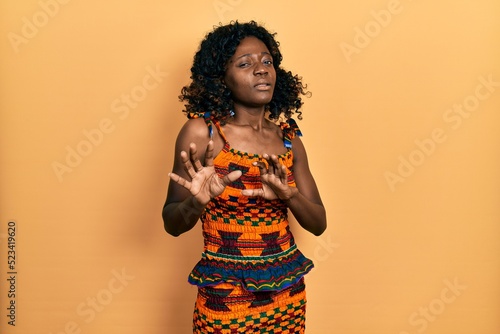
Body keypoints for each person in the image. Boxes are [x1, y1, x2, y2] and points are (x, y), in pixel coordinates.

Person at [162, 20, 327, 333]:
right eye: (245, 63)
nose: (261, 69)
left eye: (267, 61)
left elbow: (318, 223)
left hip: (286, 295)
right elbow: (171, 223)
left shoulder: (289, 139)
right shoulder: (203, 134)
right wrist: (197, 203)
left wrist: (289, 195)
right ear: (222, 78)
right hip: (224, 298)